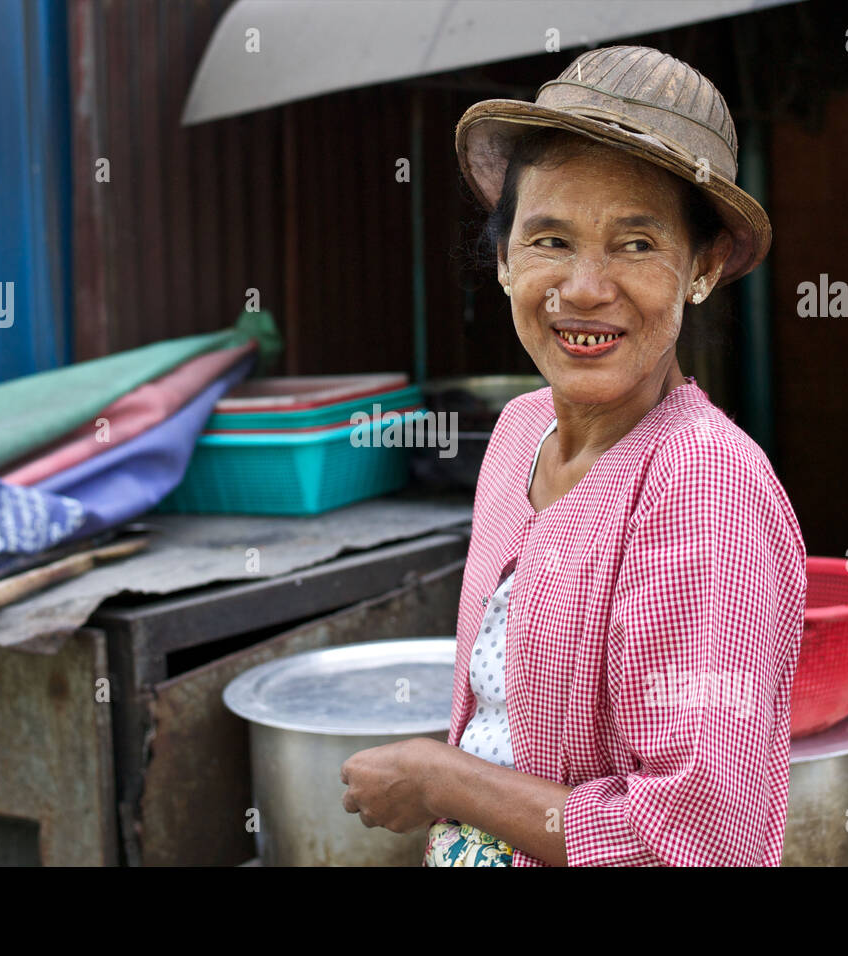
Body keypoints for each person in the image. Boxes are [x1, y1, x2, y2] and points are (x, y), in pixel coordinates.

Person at [340, 44, 807, 866]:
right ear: (503, 258)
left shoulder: (702, 485)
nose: (586, 288)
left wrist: (440, 780)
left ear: (700, 268)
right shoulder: (519, 433)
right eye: (549, 239)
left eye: (635, 245)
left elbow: (699, 840)